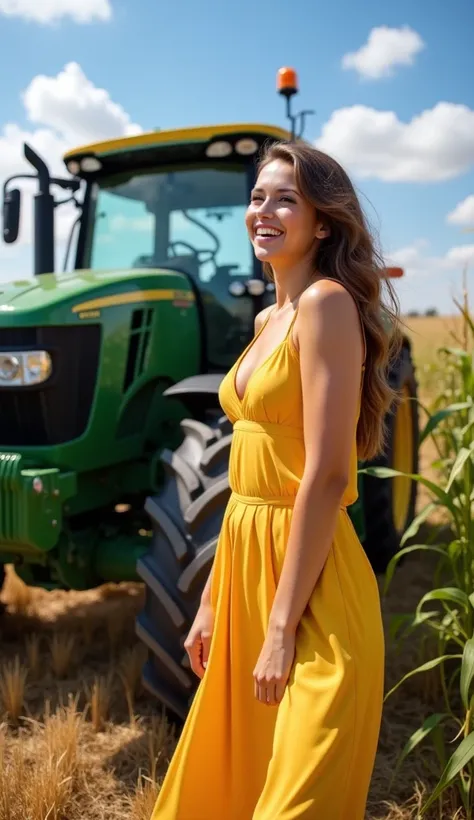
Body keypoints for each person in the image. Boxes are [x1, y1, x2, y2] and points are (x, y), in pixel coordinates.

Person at [150, 140, 400, 820]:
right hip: (246, 573)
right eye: (257, 196)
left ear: (323, 222)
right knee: (229, 787)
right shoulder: (267, 320)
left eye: (285, 197)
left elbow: (325, 476)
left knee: (296, 799)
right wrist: (210, 604)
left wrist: (283, 626)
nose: (263, 209)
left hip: (310, 586)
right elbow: (247, 479)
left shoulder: (326, 305)